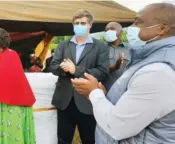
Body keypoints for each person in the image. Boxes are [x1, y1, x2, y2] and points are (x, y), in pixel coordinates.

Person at [71, 3, 175, 143]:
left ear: (162, 29)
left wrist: (94, 93)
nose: (132, 27)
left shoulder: (159, 72)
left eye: (138, 22)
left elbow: (117, 126)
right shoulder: (151, 57)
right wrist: (105, 95)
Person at [49, 10, 109, 144]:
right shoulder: (63, 45)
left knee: (89, 139)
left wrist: (76, 70)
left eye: (83, 23)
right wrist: (64, 69)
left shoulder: (100, 47)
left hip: (87, 100)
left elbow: (103, 72)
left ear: (90, 25)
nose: (79, 26)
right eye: (76, 23)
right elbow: (53, 66)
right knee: (63, 139)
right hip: (65, 100)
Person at [103, 22, 130, 91]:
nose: (109, 31)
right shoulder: (100, 48)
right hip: (104, 90)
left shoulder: (130, 49)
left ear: (121, 32)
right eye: (107, 30)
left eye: (112, 29)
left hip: (125, 91)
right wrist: (115, 66)